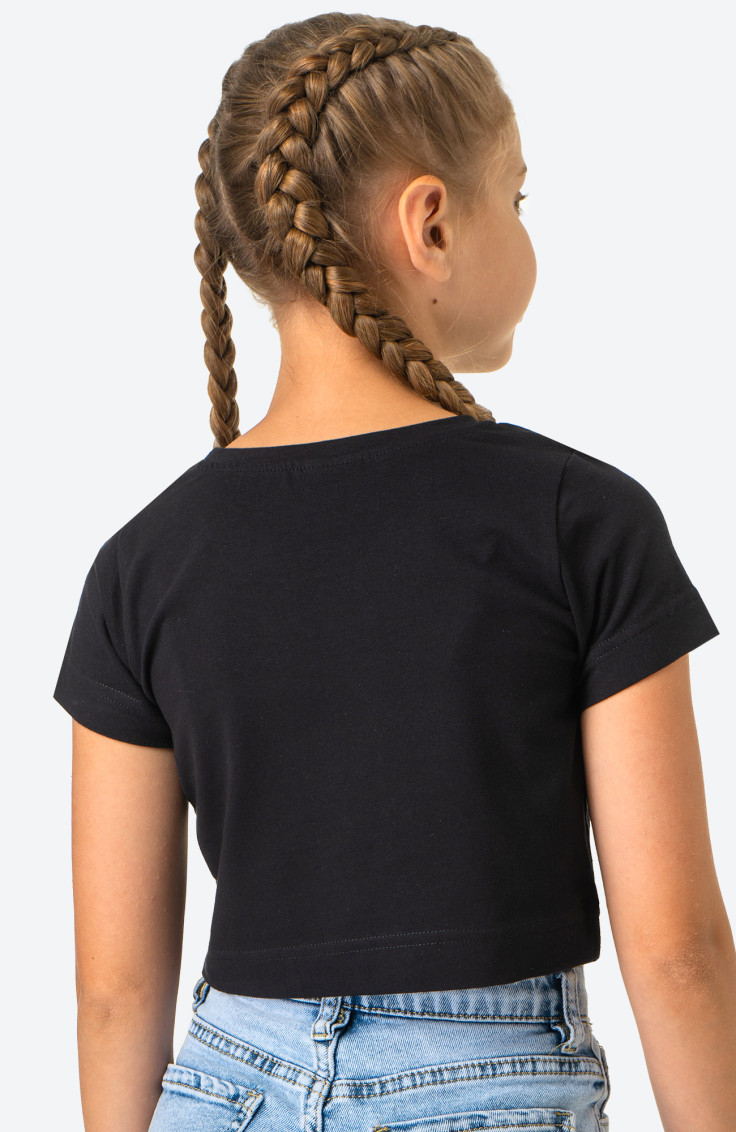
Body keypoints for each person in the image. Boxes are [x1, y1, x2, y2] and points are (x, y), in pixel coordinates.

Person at [51, 13, 735, 1132]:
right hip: (487, 1088)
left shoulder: (142, 561)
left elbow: (114, 993)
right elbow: (678, 953)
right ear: (432, 223)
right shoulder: (579, 519)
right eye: (517, 197)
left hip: (224, 1089)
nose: (524, 222)